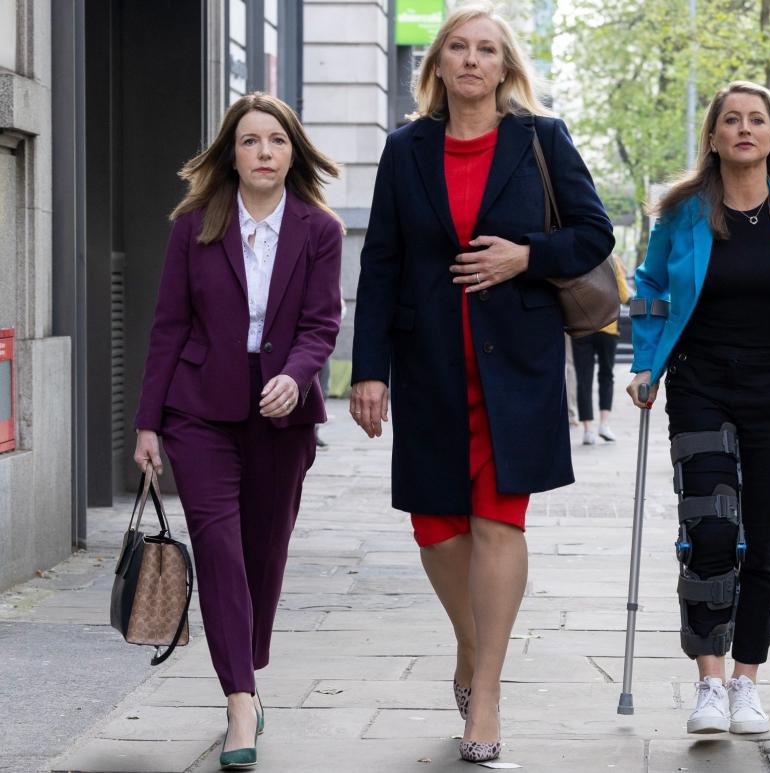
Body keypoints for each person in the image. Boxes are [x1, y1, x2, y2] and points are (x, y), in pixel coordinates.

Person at [348, 3, 613, 763]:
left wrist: (526, 256)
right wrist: (369, 368)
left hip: (517, 366)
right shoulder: (405, 149)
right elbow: (382, 262)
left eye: (486, 50)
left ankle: (486, 691)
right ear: (435, 66)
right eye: (457, 48)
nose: (470, 60)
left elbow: (595, 232)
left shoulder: (541, 138)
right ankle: (472, 645)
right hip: (429, 361)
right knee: (435, 527)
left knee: (500, 521)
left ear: (505, 68)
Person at [626, 81, 770, 736]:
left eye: (758, 120)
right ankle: (709, 680)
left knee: (763, 540)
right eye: (732, 120)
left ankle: (748, 681)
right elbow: (650, 288)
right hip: (700, 384)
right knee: (711, 532)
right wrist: (646, 361)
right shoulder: (682, 212)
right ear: (715, 136)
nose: (745, 129)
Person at [133, 92, 343, 769]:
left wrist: (299, 373)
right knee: (219, 550)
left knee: (263, 556)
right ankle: (240, 700)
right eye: (250, 141)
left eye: (275, 141)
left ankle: (245, 662)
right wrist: (148, 424)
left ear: (292, 152)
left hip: (282, 414)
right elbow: (167, 327)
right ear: (232, 152)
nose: (263, 153)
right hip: (198, 410)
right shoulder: (194, 225)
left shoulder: (319, 230)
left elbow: (321, 323)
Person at [573, 255, 631, 444]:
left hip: (581, 326)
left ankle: (588, 430)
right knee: (606, 375)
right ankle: (604, 424)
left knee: (584, 378)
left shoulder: (578, 256)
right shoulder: (613, 260)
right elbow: (623, 295)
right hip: (608, 326)